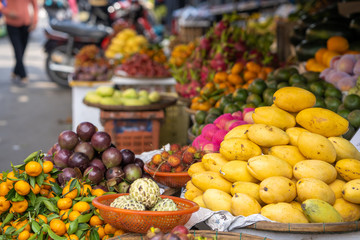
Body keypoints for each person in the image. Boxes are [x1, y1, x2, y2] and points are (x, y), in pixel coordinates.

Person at [0, 0, 38, 86]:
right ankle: (23, 75)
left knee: (22, 51)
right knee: (18, 50)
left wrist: (34, 21)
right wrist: (7, 12)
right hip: (12, 24)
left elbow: (35, 5)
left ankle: (15, 71)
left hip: (26, 23)